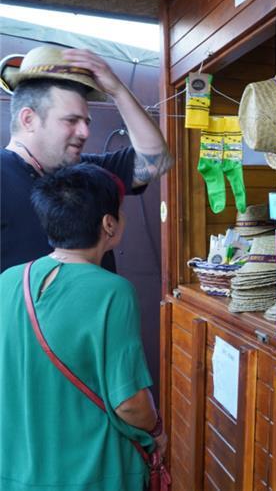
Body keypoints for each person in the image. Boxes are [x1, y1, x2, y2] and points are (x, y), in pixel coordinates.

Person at [0, 163, 167, 490]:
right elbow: (129, 403)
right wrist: (157, 432)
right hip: (93, 473)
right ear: (109, 224)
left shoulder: (7, 281)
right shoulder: (112, 291)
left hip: (16, 471)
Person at [1, 45, 173, 272]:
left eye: (86, 121)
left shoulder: (86, 172)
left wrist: (118, 91)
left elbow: (157, 160)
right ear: (28, 120)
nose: (85, 132)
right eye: (71, 120)